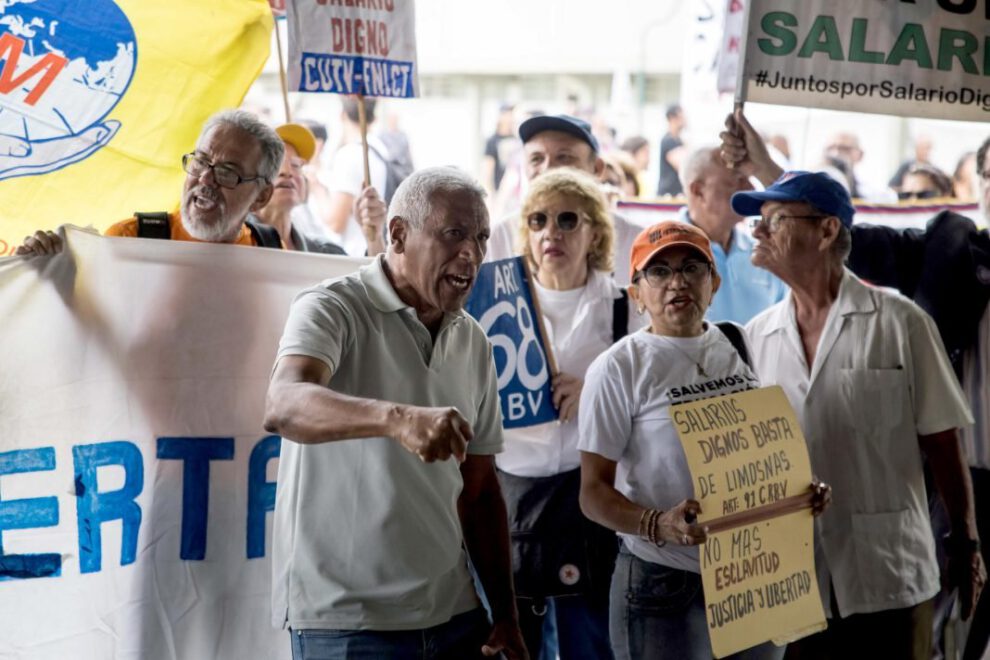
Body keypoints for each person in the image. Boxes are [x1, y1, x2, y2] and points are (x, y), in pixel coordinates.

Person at [722, 112, 990, 660]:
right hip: (791, 579)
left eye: (774, 219)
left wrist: (965, 544)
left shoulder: (900, 322)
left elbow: (943, 442)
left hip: (888, 576)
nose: (758, 231)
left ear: (825, 232)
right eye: (759, 220)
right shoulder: (756, 337)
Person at [263, 167, 528, 660]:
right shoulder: (332, 307)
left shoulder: (473, 339)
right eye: (454, 234)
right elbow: (284, 404)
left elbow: (480, 491)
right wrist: (399, 420)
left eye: (480, 237)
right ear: (399, 234)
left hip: (455, 614)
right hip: (348, 623)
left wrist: (506, 616)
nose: (471, 253)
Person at [578, 220, 827, 660]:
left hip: (751, 577)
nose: (677, 282)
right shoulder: (619, 368)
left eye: (692, 268)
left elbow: (757, 450)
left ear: (714, 283)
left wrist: (798, 493)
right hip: (663, 583)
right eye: (659, 271)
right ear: (636, 294)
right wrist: (659, 524)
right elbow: (592, 494)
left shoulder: (737, 342)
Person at [496, 168, 632, 660]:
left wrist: (595, 394)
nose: (550, 232)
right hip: (512, 500)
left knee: (591, 646)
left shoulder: (626, 309)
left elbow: (658, 402)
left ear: (594, 232)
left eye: (567, 219)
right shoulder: (495, 309)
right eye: (537, 220)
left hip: (591, 498)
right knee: (514, 647)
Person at [17, 109, 283, 254]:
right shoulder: (130, 239)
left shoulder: (271, 252)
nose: (205, 178)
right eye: (201, 161)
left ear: (262, 196)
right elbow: (86, 323)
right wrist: (47, 271)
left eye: (227, 172)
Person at [486, 114, 642, 286]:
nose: (548, 169)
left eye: (564, 157)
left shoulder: (635, 242)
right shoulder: (501, 237)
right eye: (536, 159)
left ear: (597, 169)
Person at [678, 146, 787, 324]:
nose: (751, 188)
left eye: (749, 179)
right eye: (738, 180)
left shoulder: (764, 254)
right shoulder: (662, 255)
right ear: (698, 191)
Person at [251, 123, 346, 254]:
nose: (287, 172)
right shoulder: (235, 242)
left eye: (295, 165)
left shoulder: (325, 252)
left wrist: (372, 241)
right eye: (276, 164)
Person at [322, 96, 390, 256]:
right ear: (374, 117)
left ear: (342, 115)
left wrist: (316, 189)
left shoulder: (349, 155)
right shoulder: (379, 148)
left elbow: (335, 224)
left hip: (354, 254)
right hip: (376, 249)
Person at [482, 103, 521, 197]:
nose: (510, 117)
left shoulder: (517, 139)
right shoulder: (492, 141)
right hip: (499, 191)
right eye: (507, 113)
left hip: (515, 194)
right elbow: (488, 168)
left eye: (511, 114)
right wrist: (491, 193)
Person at [656, 103, 687, 197]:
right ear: (672, 118)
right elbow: (682, 165)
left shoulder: (678, 141)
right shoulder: (668, 140)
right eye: (681, 116)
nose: (684, 120)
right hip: (668, 195)